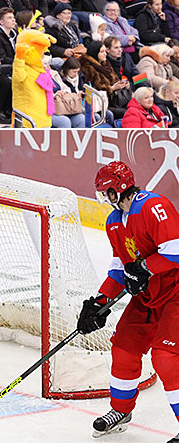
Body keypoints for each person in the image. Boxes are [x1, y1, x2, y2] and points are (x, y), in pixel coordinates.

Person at [78, 161, 179, 438]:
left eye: (105, 191)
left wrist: (145, 268)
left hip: (176, 293)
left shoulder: (152, 206)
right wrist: (99, 302)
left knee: (166, 358)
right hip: (148, 297)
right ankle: (121, 410)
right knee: (124, 348)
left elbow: (176, 250)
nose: (103, 197)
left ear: (116, 190)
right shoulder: (113, 222)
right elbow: (118, 270)